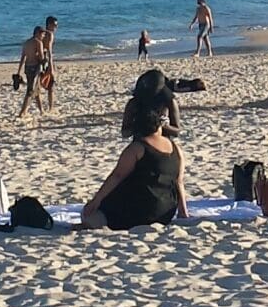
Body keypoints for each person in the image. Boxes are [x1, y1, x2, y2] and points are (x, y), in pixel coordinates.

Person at [80, 90, 188, 231]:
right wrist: (183, 212)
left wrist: (95, 201)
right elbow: (179, 182)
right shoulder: (176, 149)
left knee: (89, 215)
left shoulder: (137, 148)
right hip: (165, 212)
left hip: (138, 212)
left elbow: (117, 176)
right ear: (159, 126)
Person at [17, 25, 51, 118]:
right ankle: (23, 112)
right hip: (35, 68)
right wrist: (45, 54)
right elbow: (41, 57)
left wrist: (18, 71)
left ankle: (41, 110)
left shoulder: (26, 43)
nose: (43, 37)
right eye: (43, 35)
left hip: (27, 67)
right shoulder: (38, 42)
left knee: (37, 89)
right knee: (30, 91)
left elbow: (23, 58)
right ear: (38, 33)